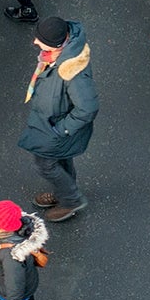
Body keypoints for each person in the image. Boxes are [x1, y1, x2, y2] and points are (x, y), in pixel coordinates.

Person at [18, 17, 98, 221]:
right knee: (61, 160)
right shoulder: (58, 55)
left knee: (45, 164)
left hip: (56, 129)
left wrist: (61, 129)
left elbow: (88, 108)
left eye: (40, 40)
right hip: (52, 124)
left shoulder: (72, 72)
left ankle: (71, 200)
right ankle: (63, 192)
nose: (35, 42)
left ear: (56, 44)